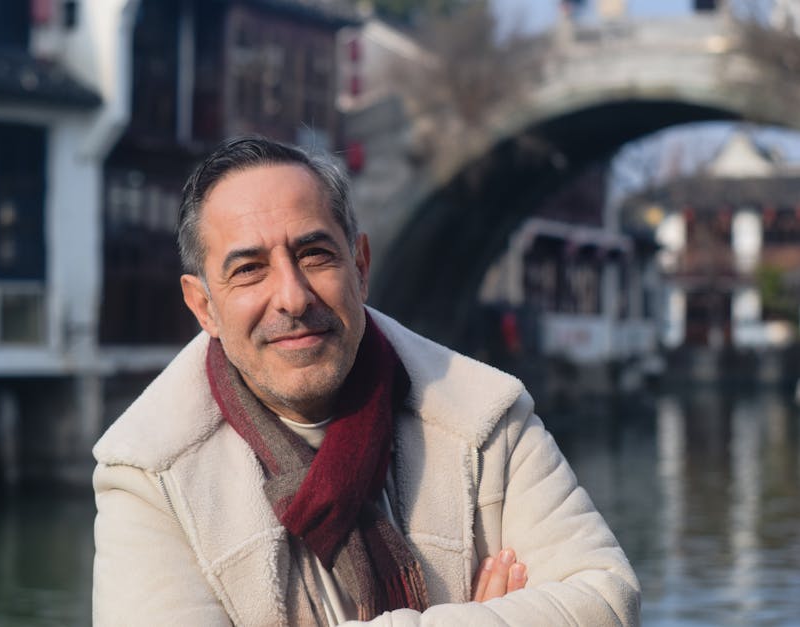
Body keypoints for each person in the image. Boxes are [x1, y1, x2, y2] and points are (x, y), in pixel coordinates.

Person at [92, 136, 640, 626]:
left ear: (361, 265)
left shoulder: (487, 417)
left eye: (315, 254)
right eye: (249, 269)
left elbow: (606, 602)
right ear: (203, 305)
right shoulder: (148, 472)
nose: (292, 296)